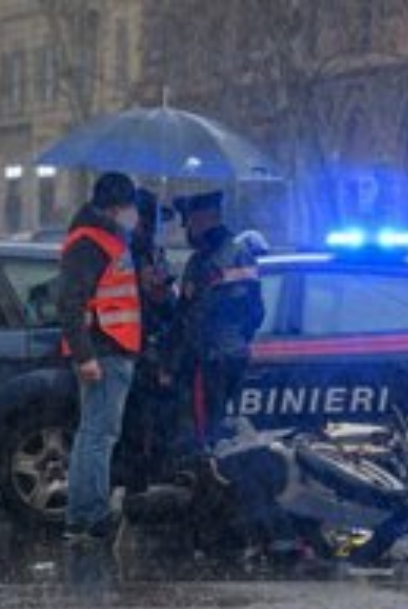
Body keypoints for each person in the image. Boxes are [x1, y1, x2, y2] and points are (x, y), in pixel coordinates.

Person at [58, 171, 142, 543]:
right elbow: (71, 301)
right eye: (131, 207)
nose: (134, 214)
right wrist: (84, 354)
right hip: (104, 349)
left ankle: (84, 514)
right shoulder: (91, 243)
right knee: (97, 435)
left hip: (109, 347)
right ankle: (90, 515)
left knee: (94, 434)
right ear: (117, 207)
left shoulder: (105, 239)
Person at [168, 190, 264, 453]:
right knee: (217, 424)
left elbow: (195, 316)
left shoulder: (211, 259)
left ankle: (209, 481)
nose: (188, 229)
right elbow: (255, 314)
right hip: (229, 354)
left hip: (210, 358)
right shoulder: (233, 253)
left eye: (190, 222)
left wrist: (180, 357)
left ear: (204, 219)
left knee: (204, 430)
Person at [122, 187, 180, 492]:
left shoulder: (150, 251)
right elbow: (146, 300)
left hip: (144, 343)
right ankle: (140, 479)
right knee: (139, 420)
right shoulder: (134, 252)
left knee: (147, 418)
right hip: (138, 344)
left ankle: (145, 476)